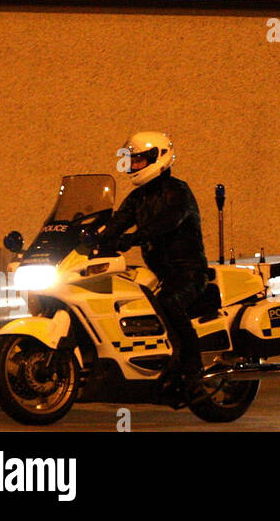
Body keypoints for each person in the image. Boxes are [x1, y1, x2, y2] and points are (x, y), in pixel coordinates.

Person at [96, 131, 209, 395]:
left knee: (170, 301)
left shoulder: (178, 192)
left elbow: (166, 223)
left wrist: (132, 238)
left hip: (188, 272)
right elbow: (115, 224)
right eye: (131, 161)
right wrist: (93, 238)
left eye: (139, 160)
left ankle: (193, 367)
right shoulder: (137, 198)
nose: (134, 166)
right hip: (159, 273)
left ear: (159, 157)